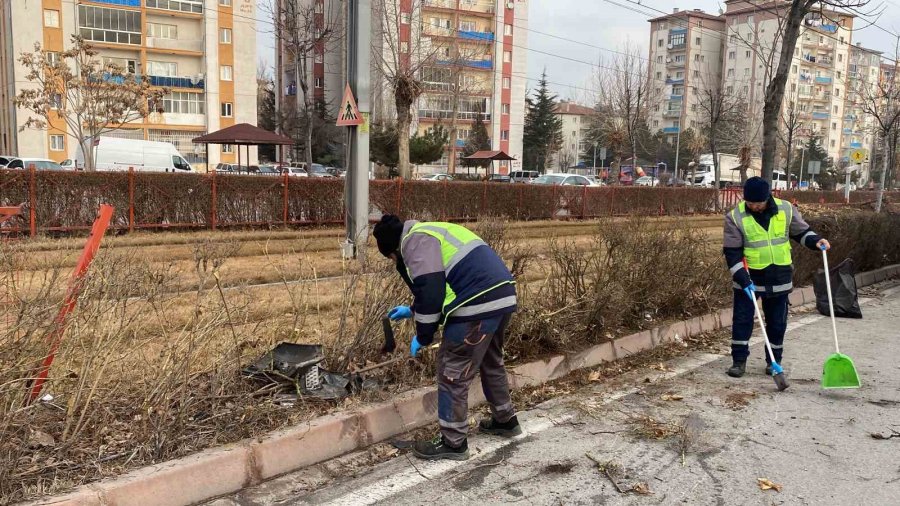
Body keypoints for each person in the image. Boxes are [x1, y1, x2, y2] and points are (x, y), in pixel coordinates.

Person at [373, 215, 520, 461]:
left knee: (452, 371)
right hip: (501, 298)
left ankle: (453, 442)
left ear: (392, 249)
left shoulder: (414, 242)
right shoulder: (431, 231)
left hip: (476, 305)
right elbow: (447, 285)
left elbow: (432, 291)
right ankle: (505, 420)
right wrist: (412, 310)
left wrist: (423, 335)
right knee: (491, 361)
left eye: (390, 257)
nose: (394, 261)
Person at [723, 177, 830, 378]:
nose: (754, 206)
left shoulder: (786, 209)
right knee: (742, 320)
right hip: (749, 278)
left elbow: (801, 232)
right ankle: (738, 362)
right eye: (750, 203)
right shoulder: (735, 216)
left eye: (758, 203)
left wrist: (816, 241)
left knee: (777, 322)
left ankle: (774, 361)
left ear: (767, 198)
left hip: (779, 275)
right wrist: (741, 277)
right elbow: (732, 252)